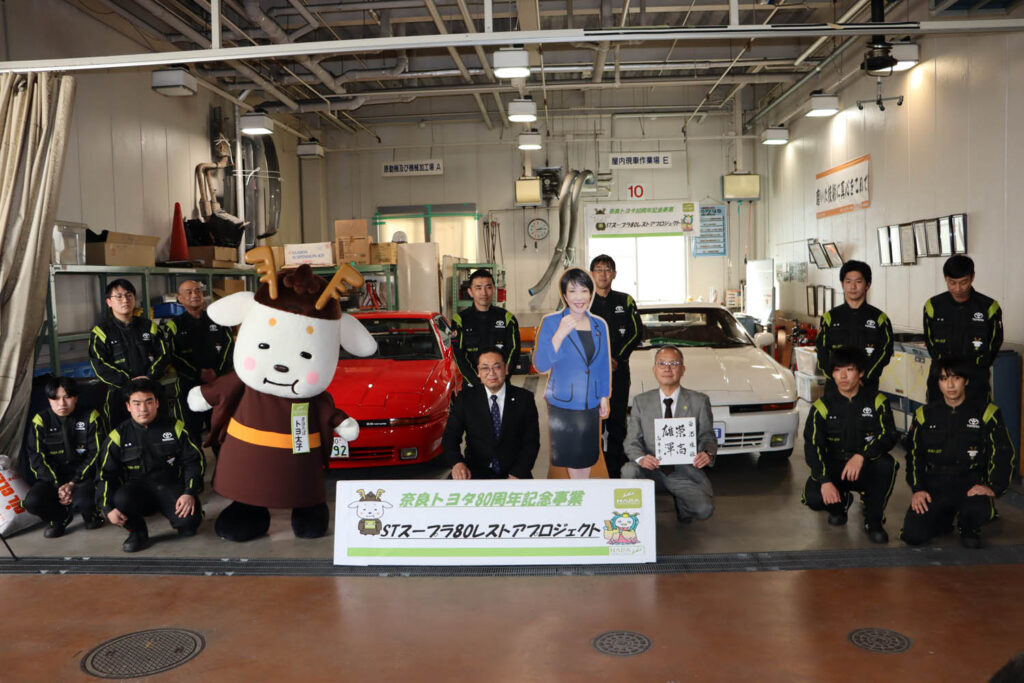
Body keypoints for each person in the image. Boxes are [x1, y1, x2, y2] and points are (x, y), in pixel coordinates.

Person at [900, 357, 1016, 549]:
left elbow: (1003, 453)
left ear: (966, 381)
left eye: (956, 378)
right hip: (934, 485)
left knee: (974, 531)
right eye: (944, 378)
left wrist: (994, 487)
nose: (950, 384)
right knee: (912, 536)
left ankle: (968, 525)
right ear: (938, 382)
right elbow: (914, 456)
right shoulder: (924, 414)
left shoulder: (987, 412)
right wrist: (918, 489)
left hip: (970, 484)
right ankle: (944, 519)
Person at [802, 348, 899, 543]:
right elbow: (813, 447)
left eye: (849, 369)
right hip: (835, 466)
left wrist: (862, 455)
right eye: (838, 370)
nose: (843, 376)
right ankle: (840, 505)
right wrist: (824, 481)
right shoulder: (822, 407)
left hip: (864, 466)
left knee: (886, 464)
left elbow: (889, 436)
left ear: (861, 372)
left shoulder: (877, 402)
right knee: (812, 496)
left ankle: (873, 521)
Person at [97, 378, 204, 552]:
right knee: (121, 499)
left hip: (169, 486)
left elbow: (193, 462)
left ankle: (188, 513)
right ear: (128, 407)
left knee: (189, 525)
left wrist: (189, 492)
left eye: (148, 402)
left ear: (157, 403)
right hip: (137, 491)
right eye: (136, 404)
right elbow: (104, 474)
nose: (143, 409)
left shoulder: (175, 428)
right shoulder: (118, 436)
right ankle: (138, 532)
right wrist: (107, 508)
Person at [621, 345, 715, 523]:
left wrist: (707, 453)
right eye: (662, 363)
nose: (667, 368)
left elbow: (707, 436)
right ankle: (634, 519)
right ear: (654, 369)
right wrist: (641, 458)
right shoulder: (641, 402)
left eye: (673, 363)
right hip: (649, 467)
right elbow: (631, 442)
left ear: (683, 369)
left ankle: (683, 504)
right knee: (628, 470)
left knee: (704, 510)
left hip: (682, 470)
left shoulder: (699, 401)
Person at [534, 268, 611, 479]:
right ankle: (576, 500)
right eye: (573, 291)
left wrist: (604, 395)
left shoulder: (599, 325)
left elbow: (602, 363)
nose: (579, 297)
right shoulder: (551, 322)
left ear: (590, 294)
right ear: (565, 295)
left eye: (584, 291)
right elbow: (540, 365)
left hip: (590, 402)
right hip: (564, 402)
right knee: (570, 457)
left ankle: (582, 496)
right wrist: (559, 335)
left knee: (587, 456)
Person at [22, 376, 104, 537]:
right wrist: (59, 485)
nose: (62, 404)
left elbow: (97, 454)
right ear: (49, 400)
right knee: (32, 502)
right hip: (54, 479)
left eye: (67, 397)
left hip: (83, 477)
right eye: (56, 398)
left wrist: (73, 483)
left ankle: (91, 515)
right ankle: (58, 519)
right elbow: (36, 458)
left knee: (84, 503)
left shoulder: (91, 416)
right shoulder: (40, 421)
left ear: (76, 397)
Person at [441, 348, 540, 479]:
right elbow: (450, 437)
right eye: (485, 368)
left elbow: (531, 442)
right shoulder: (465, 399)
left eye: (497, 367)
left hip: (514, 471)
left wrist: (518, 472)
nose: (491, 373)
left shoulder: (524, 399)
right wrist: (457, 463)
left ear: (506, 369)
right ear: (478, 372)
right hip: (475, 470)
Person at [89, 278, 170, 429]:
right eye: (118, 296)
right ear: (109, 302)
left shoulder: (149, 326)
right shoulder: (101, 332)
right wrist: (128, 382)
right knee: (122, 435)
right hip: (119, 394)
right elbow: (99, 364)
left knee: (160, 431)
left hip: (151, 390)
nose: (125, 300)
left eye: (129, 295)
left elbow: (164, 355)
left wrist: (148, 378)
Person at [162, 279, 234, 449]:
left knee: (221, 434)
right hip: (188, 387)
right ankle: (196, 474)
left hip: (217, 386)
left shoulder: (219, 320)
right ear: (180, 298)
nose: (194, 295)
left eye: (198, 291)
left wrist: (216, 373)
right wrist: (198, 373)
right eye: (188, 292)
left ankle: (223, 473)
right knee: (190, 436)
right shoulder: (173, 326)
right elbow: (171, 356)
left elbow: (229, 349)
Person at [589, 255, 643, 478]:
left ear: (614, 274)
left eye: (607, 269)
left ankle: (616, 469)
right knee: (593, 423)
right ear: (591, 274)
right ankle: (592, 466)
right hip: (589, 375)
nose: (603, 274)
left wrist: (617, 359)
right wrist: (598, 361)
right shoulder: (583, 301)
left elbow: (637, 333)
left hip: (618, 372)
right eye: (598, 269)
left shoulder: (625, 300)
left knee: (616, 422)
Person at [923, 254, 1003, 402]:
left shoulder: (989, 307)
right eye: (952, 282)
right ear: (945, 279)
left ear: (972, 277)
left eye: (963, 282)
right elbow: (930, 342)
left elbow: (994, 345)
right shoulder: (933, 306)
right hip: (941, 382)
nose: (958, 288)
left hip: (975, 383)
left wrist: (975, 368)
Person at [815, 260, 893, 393]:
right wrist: (836, 379)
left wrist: (863, 377)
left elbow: (884, 354)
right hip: (835, 390)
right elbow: (821, 352)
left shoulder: (880, 319)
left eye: (858, 281)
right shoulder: (829, 318)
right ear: (842, 284)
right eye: (848, 281)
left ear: (867, 285)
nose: (853, 287)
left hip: (867, 387)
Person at [451, 269, 520, 388]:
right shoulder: (460, 321)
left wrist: (500, 378)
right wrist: (477, 382)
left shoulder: (507, 318)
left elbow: (514, 350)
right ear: (470, 292)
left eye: (488, 287)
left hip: (501, 385)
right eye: (478, 288)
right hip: (473, 386)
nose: (484, 292)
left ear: (494, 290)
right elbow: (459, 356)